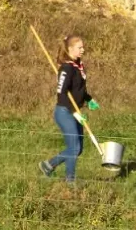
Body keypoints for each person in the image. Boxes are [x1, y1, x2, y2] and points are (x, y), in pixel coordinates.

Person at [40, 35, 98, 183]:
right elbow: (61, 93)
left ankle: (48, 165)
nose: (83, 50)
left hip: (75, 111)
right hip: (65, 112)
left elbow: (79, 89)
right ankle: (70, 181)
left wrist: (89, 99)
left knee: (78, 149)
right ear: (70, 48)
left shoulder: (79, 65)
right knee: (73, 148)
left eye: (83, 47)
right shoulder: (66, 68)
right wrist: (74, 113)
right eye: (79, 47)